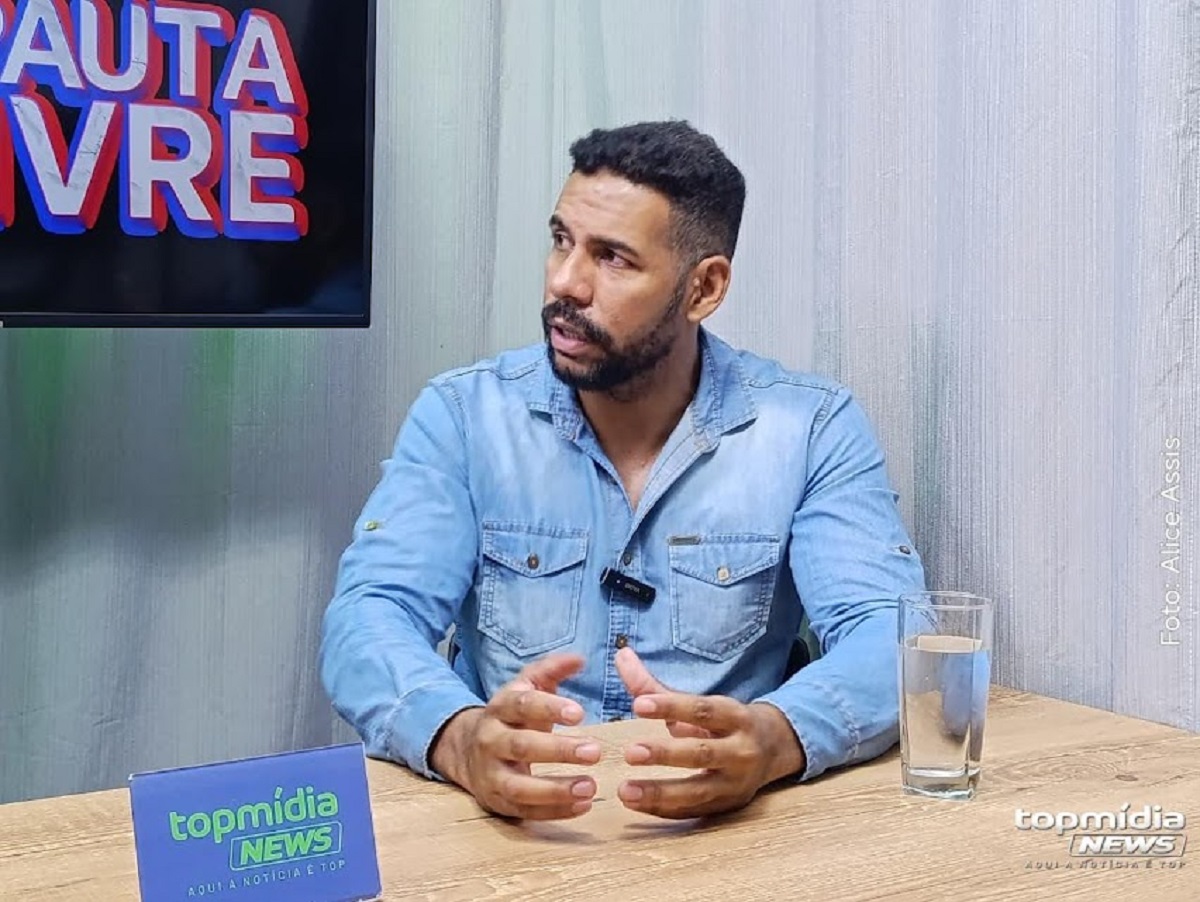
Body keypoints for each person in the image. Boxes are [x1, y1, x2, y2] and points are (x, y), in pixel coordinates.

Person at [320, 120, 926, 822]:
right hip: (509, 835)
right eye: (561, 240)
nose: (564, 282)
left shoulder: (809, 428)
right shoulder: (464, 416)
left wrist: (775, 738)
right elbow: (371, 615)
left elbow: (894, 636)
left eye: (612, 258)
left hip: (724, 837)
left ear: (703, 288)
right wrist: (457, 738)